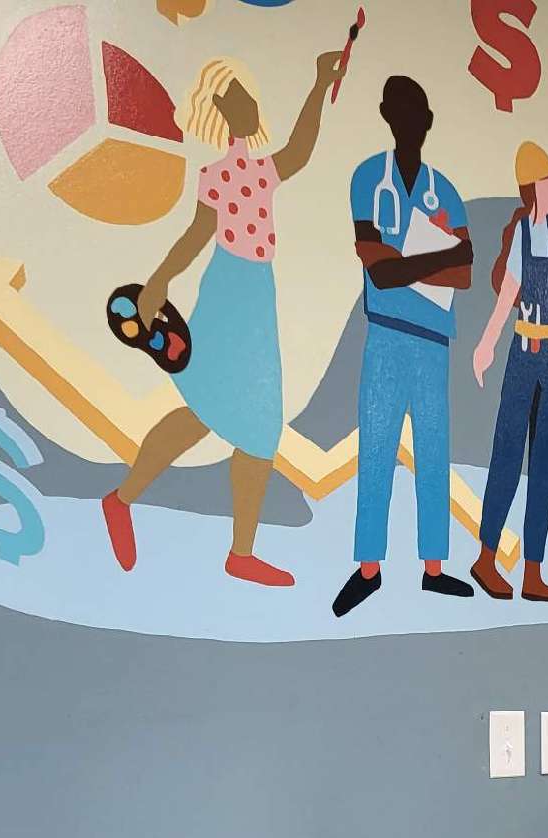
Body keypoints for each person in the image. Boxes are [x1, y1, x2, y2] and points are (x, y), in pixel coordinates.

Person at [102, 51, 341, 586]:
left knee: (217, 415)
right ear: (222, 108)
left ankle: (141, 507)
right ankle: (216, 541)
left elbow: (301, 148)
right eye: (240, 98)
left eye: (250, 97)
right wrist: (161, 280)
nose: (251, 105)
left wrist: (320, 82)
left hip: (255, 293)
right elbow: (195, 234)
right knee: (244, 418)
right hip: (231, 293)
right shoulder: (221, 173)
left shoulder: (261, 168)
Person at [333, 75, 474, 618]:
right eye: (398, 110)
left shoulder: (447, 191)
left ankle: (433, 569)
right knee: (377, 449)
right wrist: (431, 260)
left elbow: (463, 274)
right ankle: (369, 568)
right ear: (387, 116)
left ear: (427, 121)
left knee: (434, 453)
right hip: (386, 338)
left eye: (416, 111)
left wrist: (404, 264)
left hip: (434, 343)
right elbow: (378, 269)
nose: (407, 120)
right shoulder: (369, 177)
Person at [470, 110, 548, 602]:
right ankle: (485, 558)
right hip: (526, 354)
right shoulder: (524, 234)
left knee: (547, 461)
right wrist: (486, 343)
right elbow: (507, 295)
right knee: (507, 455)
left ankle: (532, 570)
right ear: (533, 188)